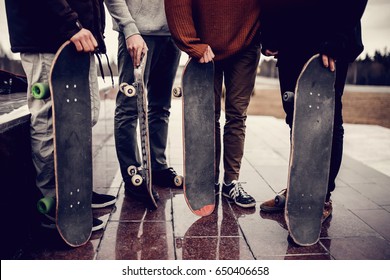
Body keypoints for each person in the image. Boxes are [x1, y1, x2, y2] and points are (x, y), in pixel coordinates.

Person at [5, 0, 117, 231]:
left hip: (78, 38)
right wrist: (70, 24)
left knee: (85, 117)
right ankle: (56, 207)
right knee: (50, 123)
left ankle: (76, 193)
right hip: (47, 36)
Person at [259, 0, 368, 220]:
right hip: (291, 39)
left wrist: (338, 39)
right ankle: (299, 189)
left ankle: (321, 195)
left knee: (328, 120)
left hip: (327, 40)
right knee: (295, 118)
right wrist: (270, 32)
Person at [165, 0, 261, 208]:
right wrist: (190, 43)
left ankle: (230, 182)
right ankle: (209, 180)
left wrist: (273, 36)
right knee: (208, 116)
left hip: (247, 39)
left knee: (237, 114)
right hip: (205, 46)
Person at [104, 0, 182, 207]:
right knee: (129, 108)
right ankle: (133, 176)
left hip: (173, 34)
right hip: (138, 33)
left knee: (161, 107)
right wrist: (129, 28)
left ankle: (157, 166)